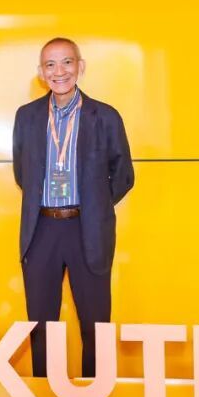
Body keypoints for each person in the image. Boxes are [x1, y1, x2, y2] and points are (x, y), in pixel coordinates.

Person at [12, 37, 134, 378]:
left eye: (67, 62)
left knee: (95, 325)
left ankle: (95, 396)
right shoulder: (27, 117)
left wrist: (94, 203)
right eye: (50, 64)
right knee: (41, 325)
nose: (59, 71)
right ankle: (44, 395)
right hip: (41, 229)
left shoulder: (105, 116)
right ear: (41, 72)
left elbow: (123, 175)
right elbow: (23, 173)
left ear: (80, 66)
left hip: (88, 228)